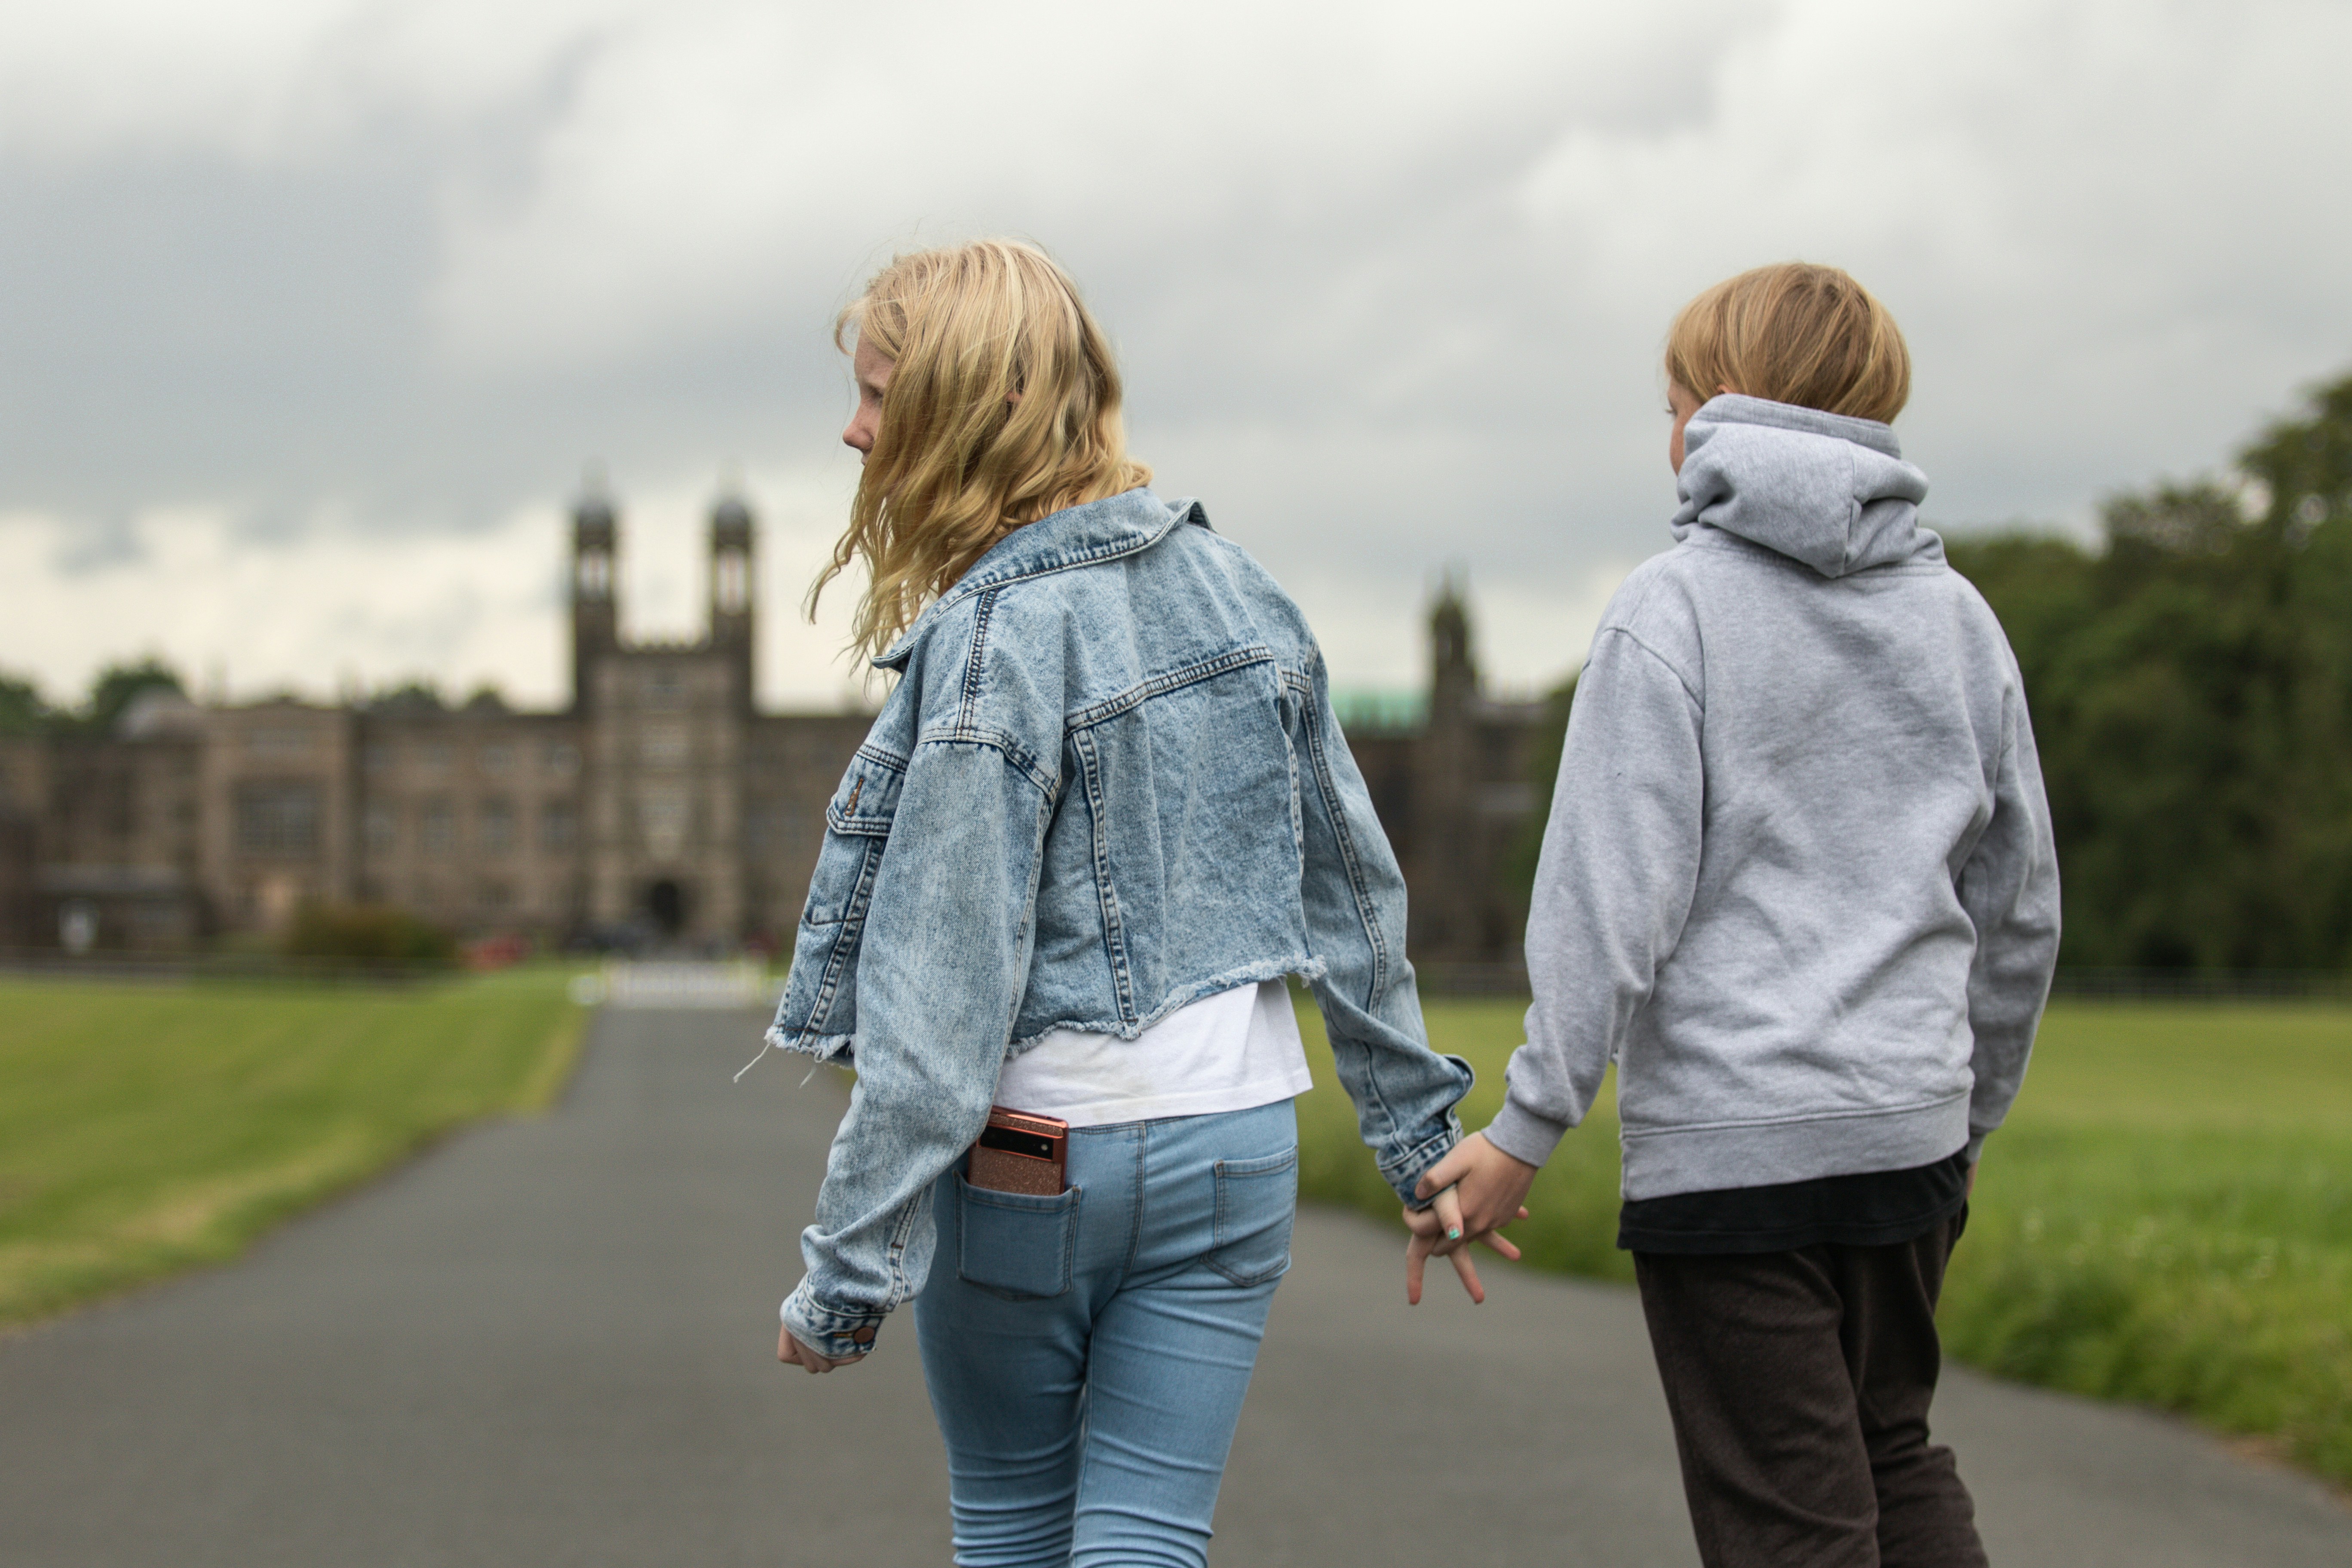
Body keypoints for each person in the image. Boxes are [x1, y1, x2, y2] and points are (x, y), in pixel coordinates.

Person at [762, 238, 1481, 1568]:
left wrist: (847, 1276)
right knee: (1150, 1538)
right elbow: (1352, 894)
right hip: (1234, 1142)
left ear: (957, 417)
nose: (853, 431)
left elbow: (940, 999)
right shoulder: (1243, 588)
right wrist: (1415, 1140)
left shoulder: (988, 641)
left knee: (1017, 1533)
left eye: (877, 398)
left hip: (1037, 1154)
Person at [1409, 262, 2061, 1567]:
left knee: (1789, 1524)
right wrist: (1972, 1112)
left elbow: (1609, 900)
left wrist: (1527, 1126)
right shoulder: (1959, 620)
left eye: (1672, 404)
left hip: (1736, 1157)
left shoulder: (1671, 611)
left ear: (1715, 414)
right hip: (1912, 1144)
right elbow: (2020, 906)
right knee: (1894, 1453)